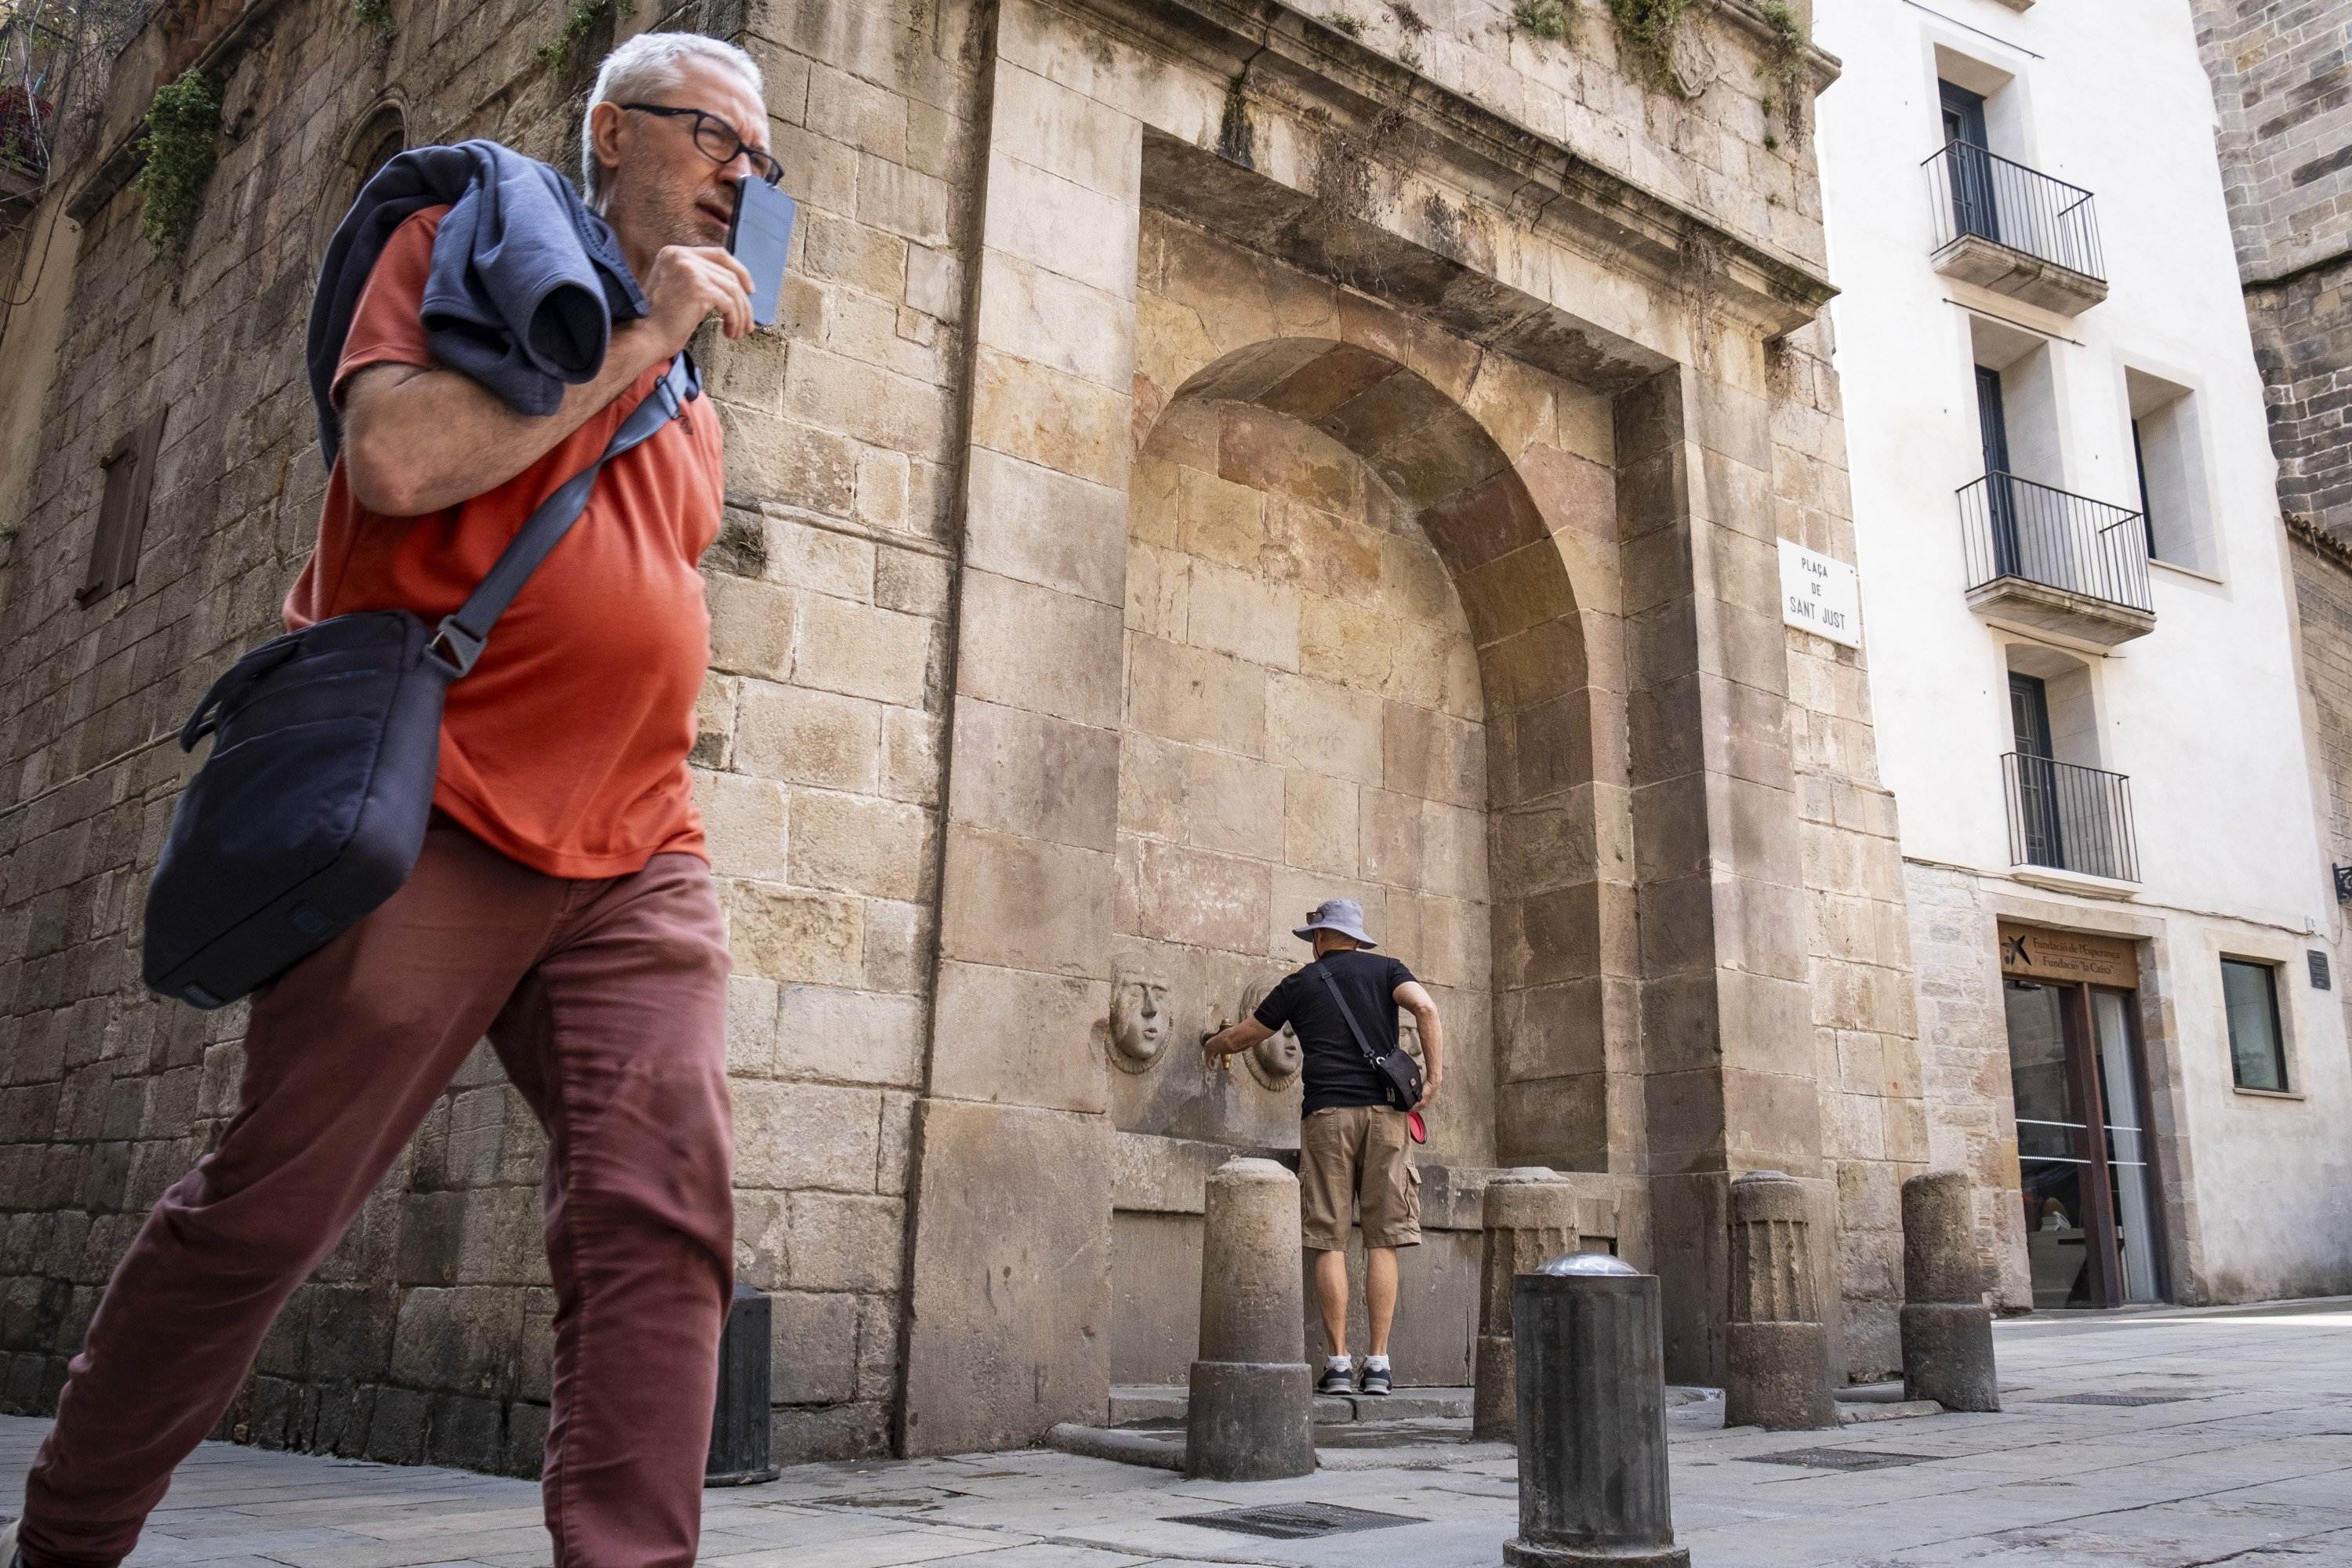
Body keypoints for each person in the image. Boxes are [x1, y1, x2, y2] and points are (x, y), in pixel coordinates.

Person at [7, 32, 771, 1568]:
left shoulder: (692, 385)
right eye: (714, 140)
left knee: (662, 1205)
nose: (739, 178)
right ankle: (71, 1537)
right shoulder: (466, 237)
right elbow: (399, 461)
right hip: (432, 810)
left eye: (759, 159)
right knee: (268, 1209)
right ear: (613, 132)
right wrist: (633, 346)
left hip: (635, 843)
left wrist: (664, 362)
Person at [1201, 898, 1444, 1396]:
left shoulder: (1301, 983)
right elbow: (1425, 1007)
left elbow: (1249, 1035)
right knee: (1384, 1239)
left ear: (1318, 939)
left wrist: (1212, 1045)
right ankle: (1378, 1364)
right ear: (1357, 937)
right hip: (1388, 1115)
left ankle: (1337, 1365)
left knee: (1329, 1238)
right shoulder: (1387, 971)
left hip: (1328, 1115)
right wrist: (1435, 1077)